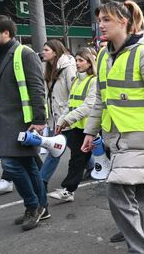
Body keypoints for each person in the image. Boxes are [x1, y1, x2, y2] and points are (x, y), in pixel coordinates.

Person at [81, 0, 144, 254]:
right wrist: (90, 131)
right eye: (100, 19)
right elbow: (101, 98)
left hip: (141, 136)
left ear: (123, 21)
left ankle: (139, 249)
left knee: (117, 189)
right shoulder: (103, 55)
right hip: (116, 137)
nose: (101, 24)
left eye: (107, 20)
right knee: (143, 192)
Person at [0, 15, 47, 231]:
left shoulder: (24, 53)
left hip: (22, 123)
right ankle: (41, 206)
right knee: (28, 166)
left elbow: (37, 87)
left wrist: (39, 119)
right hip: (5, 122)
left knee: (10, 165)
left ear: (6, 32)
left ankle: (32, 206)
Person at [46, 47, 97, 202]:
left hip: (91, 127)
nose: (77, 63)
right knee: (77, 159)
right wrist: (62, 120)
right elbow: (70, 104)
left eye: (81, 60)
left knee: (110, 156)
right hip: (77, 127)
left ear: (89, 63)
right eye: (76, 60)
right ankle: (68, 190)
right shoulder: (76, 80)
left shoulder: (94, 81)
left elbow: (88, 106)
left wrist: (68, 119)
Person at [39, 39, 77, 191]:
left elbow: (73, 95)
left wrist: (67, 117)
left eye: (46, 50)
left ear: (55, 52)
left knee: (56, 149)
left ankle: (41, 180)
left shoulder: (68, 68)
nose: (43, 52)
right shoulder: (47, 68)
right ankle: (93, 165)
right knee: (75, 149)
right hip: (55, 117)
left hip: (66, 117)